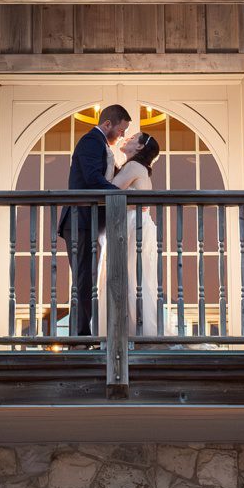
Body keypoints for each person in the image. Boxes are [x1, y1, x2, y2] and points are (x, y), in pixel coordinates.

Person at [56, 104, 129, 336]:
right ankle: (79, 336)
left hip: (90, 221)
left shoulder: (102, 145)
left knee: (87, 278)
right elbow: (92, 178)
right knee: (82, 278)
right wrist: (120, 195)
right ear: (107, 124)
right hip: (80, 220)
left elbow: (106, 176)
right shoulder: (91, 141)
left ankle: (82, 333)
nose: (122, 135)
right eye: (121, 130)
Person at [110, 132, 163, 336]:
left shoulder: (133, 167)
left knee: (127, 278)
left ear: (140, 147)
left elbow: (110, 190)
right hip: (140, 225)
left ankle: (127, 331)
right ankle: (136, 330)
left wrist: (107, 163)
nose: (127, 138)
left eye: (133, 138)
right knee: (137, 279)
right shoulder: (140, 169)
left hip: (132, 226)